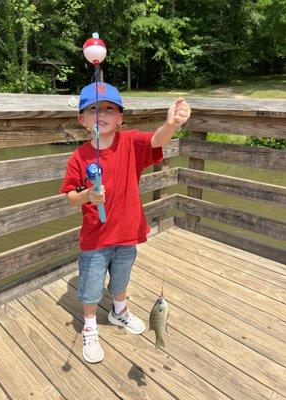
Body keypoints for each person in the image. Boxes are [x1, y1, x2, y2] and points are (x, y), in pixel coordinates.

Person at [60, 81, 191, 363]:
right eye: (93, 109)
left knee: (121, 279)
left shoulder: (131, 142)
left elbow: (157, 139)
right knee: (91, 287)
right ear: (82, 119)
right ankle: (90, 326)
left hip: (127, 232)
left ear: (120, 118)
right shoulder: (78, 157)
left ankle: (119, 311)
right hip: (95, 239)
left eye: (109, 109)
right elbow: (70, 197)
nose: (102, 114)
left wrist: (171, 124)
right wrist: (87, 196)